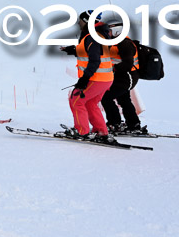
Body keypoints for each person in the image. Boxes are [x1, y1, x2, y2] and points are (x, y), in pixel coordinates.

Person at [59, 10, 114, 143]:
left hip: (97, 78)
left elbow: (95, 60)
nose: (79, 23)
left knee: (76, 100)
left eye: (81, 20)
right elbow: (92, 52)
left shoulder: (93, 37)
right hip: (105, 79)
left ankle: (81, 131)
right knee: (90, 103)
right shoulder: (97, 35)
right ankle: (101, 131)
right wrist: (72, 50)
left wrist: (84, 79)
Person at [101, 23, 145, 135]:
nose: (107, 33)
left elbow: (128, 63)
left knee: (106, 97)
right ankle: (133, 124)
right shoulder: (116, 42)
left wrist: (113, 68)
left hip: (128, 77)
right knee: (123, 100)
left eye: (109, 31)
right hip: (121, 76)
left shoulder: (125, 44)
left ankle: (115, 123)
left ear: (116, 31)